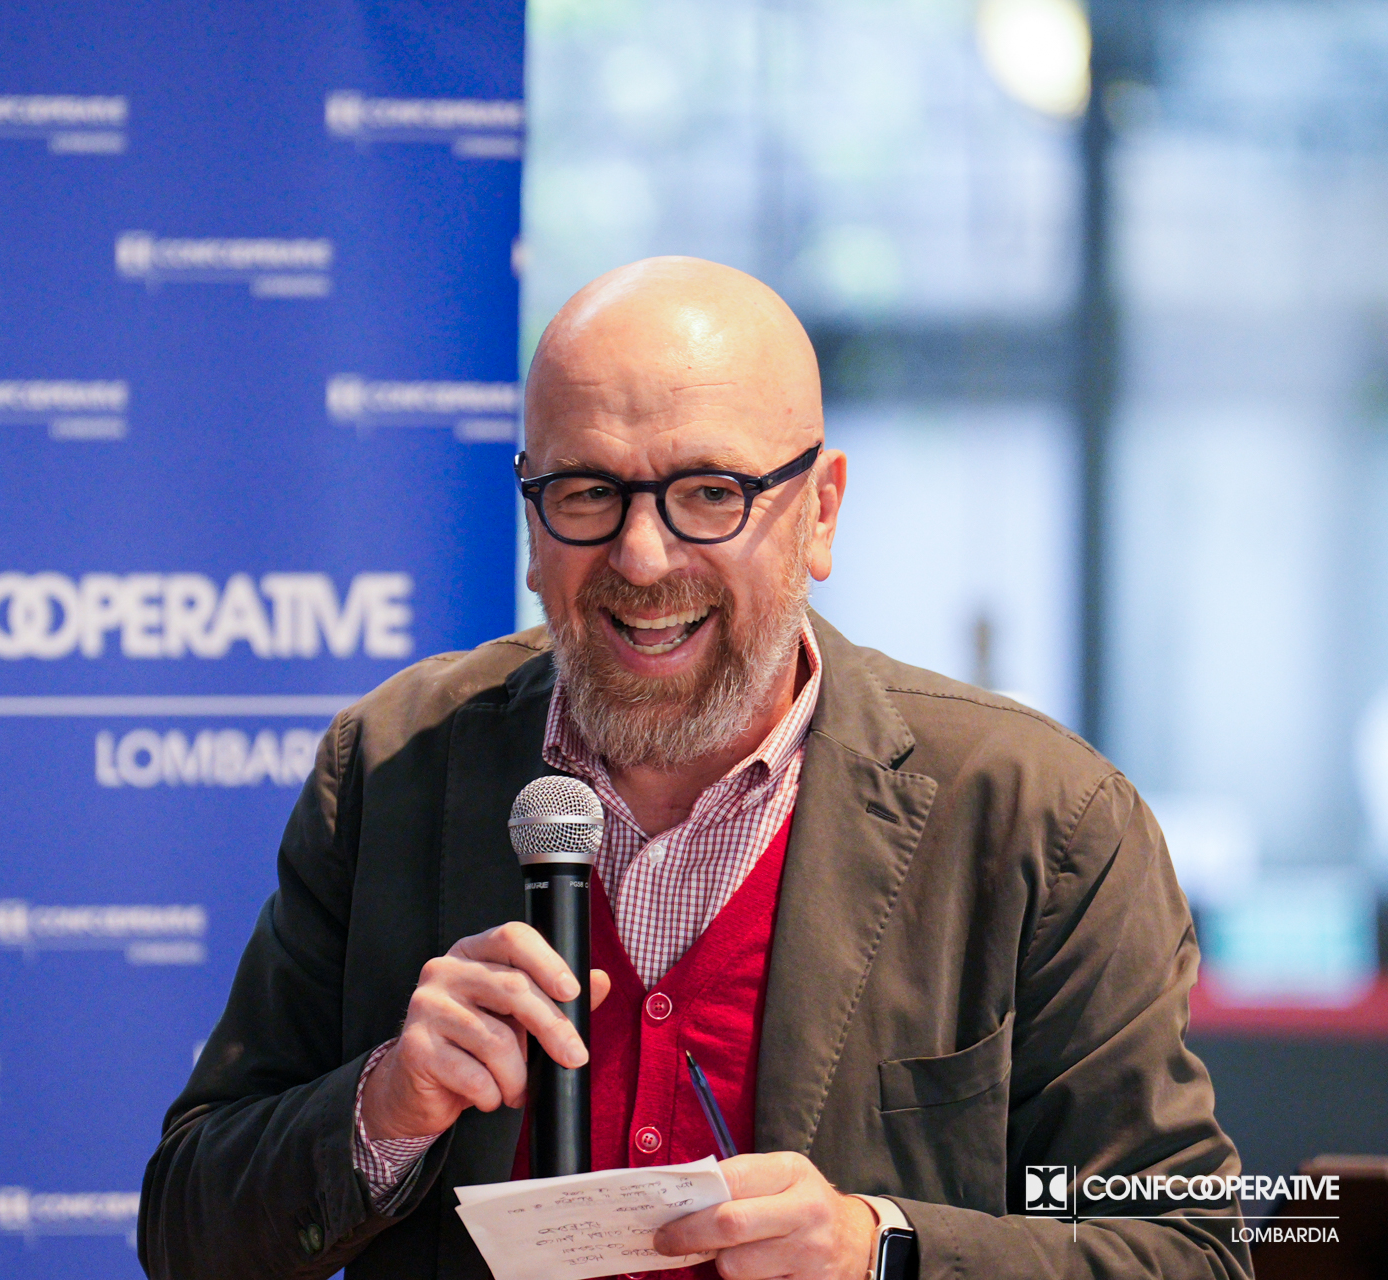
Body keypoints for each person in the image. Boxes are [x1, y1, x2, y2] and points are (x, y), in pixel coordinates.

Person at [139, 257, 1250, 1280]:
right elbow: (188, 1230)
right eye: (587, 491)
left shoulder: (1041, 820)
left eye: (711, 491)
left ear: (821, 512)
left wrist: (880, 1250)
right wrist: (384, 1108)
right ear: (531, 521)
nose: (641, 555)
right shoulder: (392, 767)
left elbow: (1189, 1250)